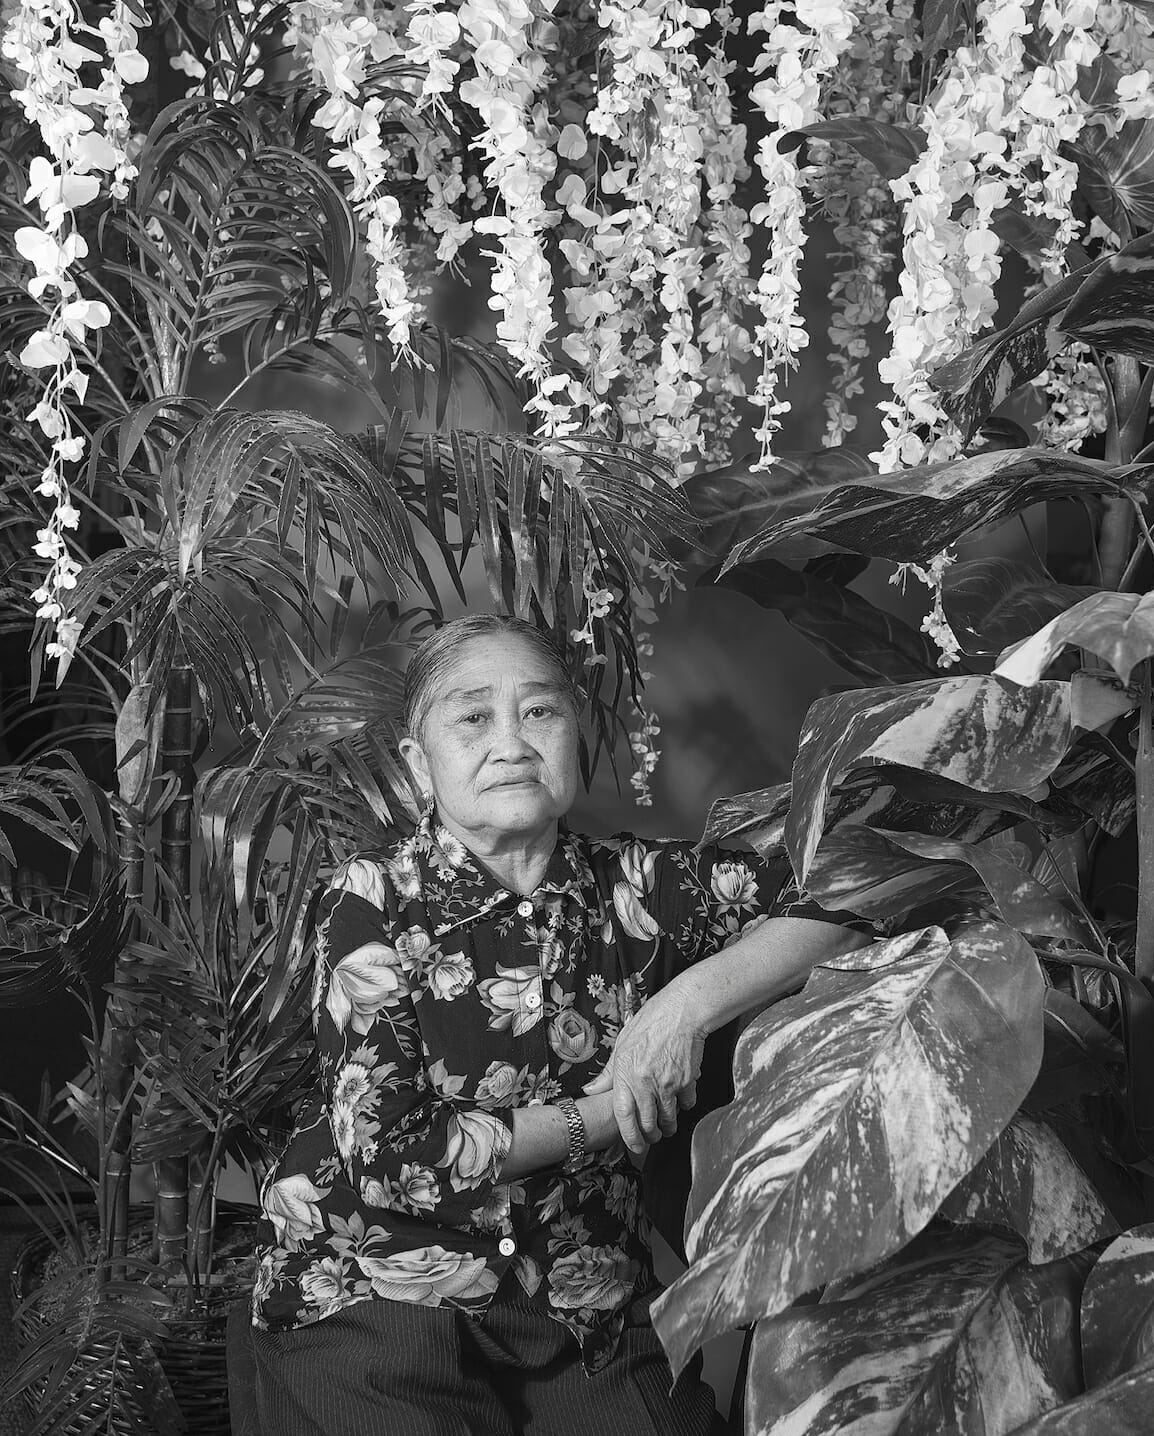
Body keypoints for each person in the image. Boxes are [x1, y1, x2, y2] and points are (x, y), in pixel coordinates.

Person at [245, 614, 866, 1435]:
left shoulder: (644, 885)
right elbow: (397, 1156)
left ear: (575, 734)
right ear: (417, 764)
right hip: (376, 1292)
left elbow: (854, 892)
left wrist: (685, 1004)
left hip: (583, 1303)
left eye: (539, 711)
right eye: (472, 718)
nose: (511, 742)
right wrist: (613, 1113)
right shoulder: (367, 898)